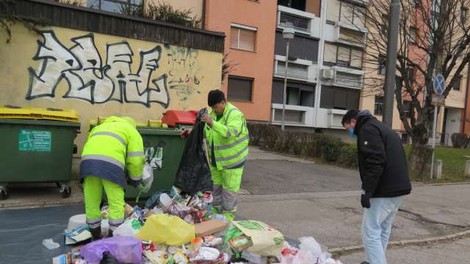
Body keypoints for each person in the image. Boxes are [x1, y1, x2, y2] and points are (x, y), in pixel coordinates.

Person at [341, 109, 412, 264]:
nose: (350, 133)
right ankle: (372, 260)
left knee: (370, 229)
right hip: (398, 187)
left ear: (353, 122)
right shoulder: (380, 126)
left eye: (348, 128)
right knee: (383, 228)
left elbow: (375, 161)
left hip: (385, 189)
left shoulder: (367, 129)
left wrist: (368, 190)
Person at [80, 116, 145, 239]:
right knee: (116, 203)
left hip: (87, 164)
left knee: (92, 200)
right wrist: (135, 180)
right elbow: (136, 160)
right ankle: (113, 238)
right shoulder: (131, 131)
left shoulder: (97, 128)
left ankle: (95, 235)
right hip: (111, 166)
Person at [200, 89, 249, 221]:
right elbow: (207, 132)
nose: (214, 110)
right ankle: (215, 212)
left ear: (223, 102)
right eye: (212, 108)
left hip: (233, 162)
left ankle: (228, 216)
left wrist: (212, 123)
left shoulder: (235, 114)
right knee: (216, 188)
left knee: (229, 192)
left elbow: (230, 132)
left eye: (216, 107)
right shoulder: (213, 114)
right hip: (217, 161)